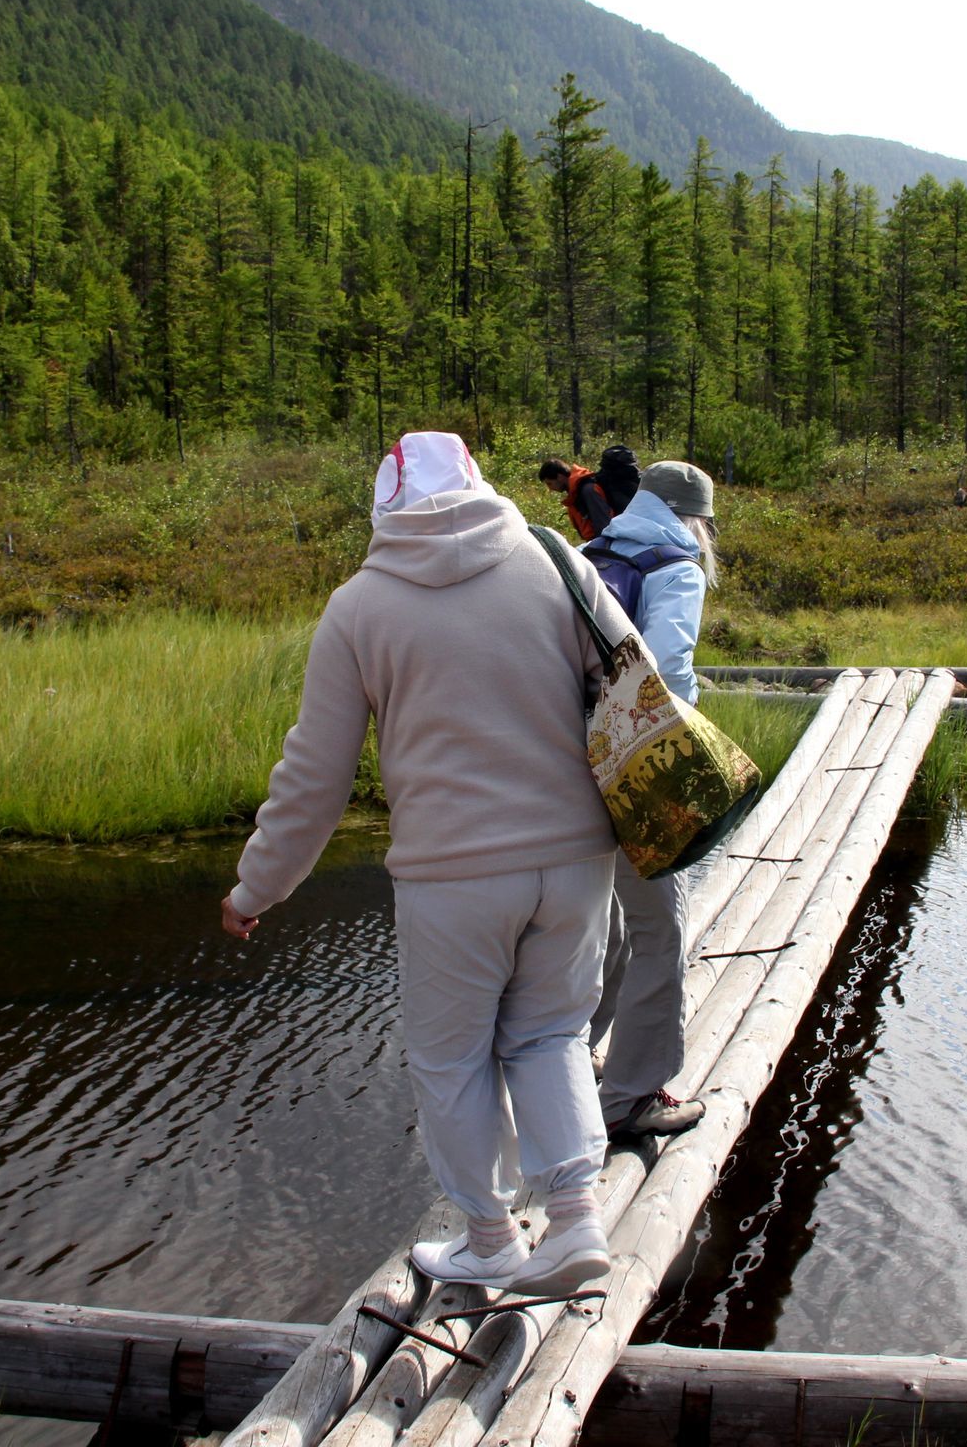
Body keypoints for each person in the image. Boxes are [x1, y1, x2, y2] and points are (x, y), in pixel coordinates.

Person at [220, 431, 634, 1293]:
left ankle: (489, 1239)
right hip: (578, 860)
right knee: (551, 1034)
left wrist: (257, 885)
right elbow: (639, 677)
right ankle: (575, 1223)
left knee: (451, 1059)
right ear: (479, 483)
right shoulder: (555, 561)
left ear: (386, 504)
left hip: (454, 880)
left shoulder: (360, 606)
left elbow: (315, 777)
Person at [582, 459, 720, 1140]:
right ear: (696, 519)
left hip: (571, 765)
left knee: (603, 926)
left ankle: (573, 1055)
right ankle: (632, 1097)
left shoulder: (587, 552)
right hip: (636, 772)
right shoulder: (676, 565)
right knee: (660, 931)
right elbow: (663, 671)